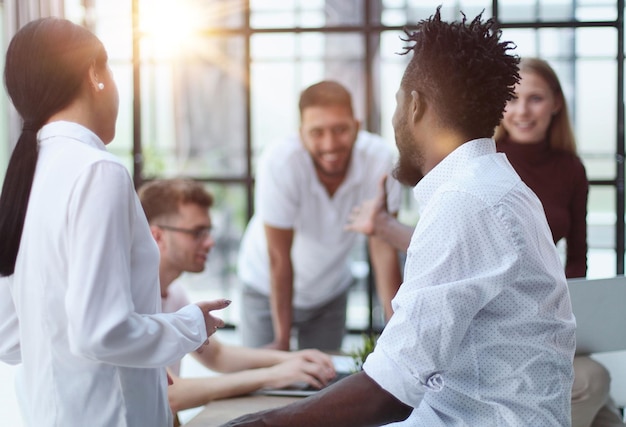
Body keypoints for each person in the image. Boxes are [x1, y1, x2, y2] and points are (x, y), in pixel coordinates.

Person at [221, 7, 576, 426]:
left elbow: (389, 391)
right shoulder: (496, 187)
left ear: (414, 106)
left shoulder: (466, 202)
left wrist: (257, 423)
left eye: (394, 105)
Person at [348, 57, 625, 427]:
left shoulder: (569, 169)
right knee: (596, 385)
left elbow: (577, 258)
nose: (522, 111)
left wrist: (573, 318)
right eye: (513, 99)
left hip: (542, 313)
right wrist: (384, 228)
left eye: (536, 99)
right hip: (503, 332)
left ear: (557, 103)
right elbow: (463, 249)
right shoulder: (485, 169)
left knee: (599, 394)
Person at [0, 18, 227, 427]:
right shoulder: (96, 170)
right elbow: (99, 332)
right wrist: (192, 324)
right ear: (94, 74)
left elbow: (9, 335)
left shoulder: (24, 176)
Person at [137, 178, 337, 418]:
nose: (210, 242)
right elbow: (169, 394)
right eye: (197, 232)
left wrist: (292, 358)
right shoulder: (135, 299)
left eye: (208, 231)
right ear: (157, 236)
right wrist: (274, 375)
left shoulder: (174, 292)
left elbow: (218, 355)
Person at [236, 80, 403, 351]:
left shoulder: (380, 159)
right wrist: (281, 340)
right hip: (265, 290)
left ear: (357, 126)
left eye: (340, 130)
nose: (330, 144)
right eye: (317, 132)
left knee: (324, 384)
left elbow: (384, 247)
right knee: (264, 383)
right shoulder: (281, 162)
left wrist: (397, 330)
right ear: (301, 134)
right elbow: (279, 258)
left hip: (329, 293)